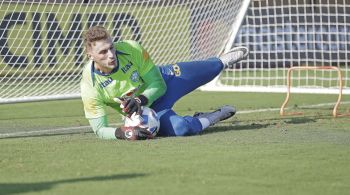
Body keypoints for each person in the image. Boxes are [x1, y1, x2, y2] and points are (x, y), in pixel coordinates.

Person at [80, 26, 249, 140]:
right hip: (149, 110)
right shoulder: (90, 86)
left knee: (210, 68)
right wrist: (124, 133)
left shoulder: (131, 48)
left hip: (163, 80)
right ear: (90, 55)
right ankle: (212, 117)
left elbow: (158, 85)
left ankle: (221, 62)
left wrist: (139, 99)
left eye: (111, 47)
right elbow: (100, 130)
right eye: (103, 52)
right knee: (182, 129)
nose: (111, 55)